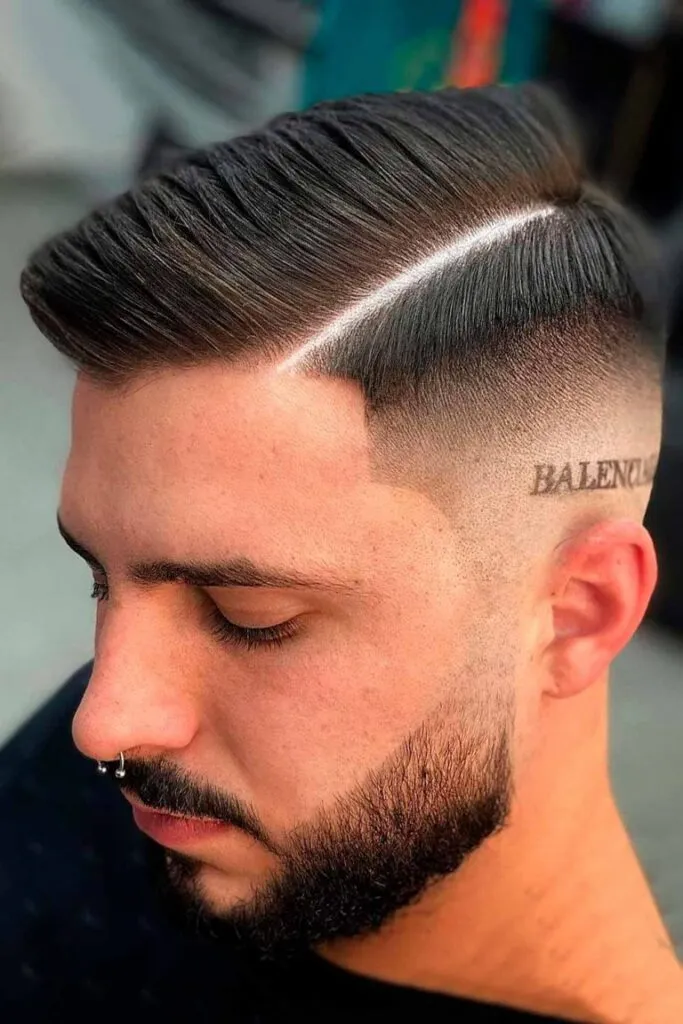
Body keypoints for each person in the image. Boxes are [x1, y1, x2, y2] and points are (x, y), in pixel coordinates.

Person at [20, 84, 682, 1023]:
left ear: (577, 609)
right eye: (102, 577)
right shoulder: (170, 788)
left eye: (250, 618)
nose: (104, 722)